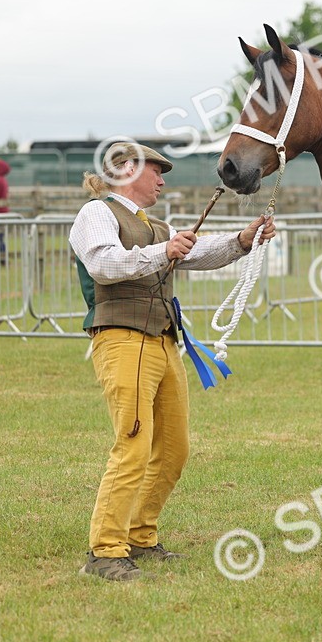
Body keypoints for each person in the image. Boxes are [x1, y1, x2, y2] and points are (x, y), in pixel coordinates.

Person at [69, 142, 275, 582]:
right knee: (134, 442)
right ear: (125, 170)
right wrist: (163, 252)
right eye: (155, 171)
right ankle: (105, 550)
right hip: (123, 338)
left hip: (163, 340)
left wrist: (242, 240)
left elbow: (196, 254)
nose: (163, 180)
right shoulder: (96, 214)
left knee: (174, 449)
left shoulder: (156, 225)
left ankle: (141, 536)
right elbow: (104, 263)